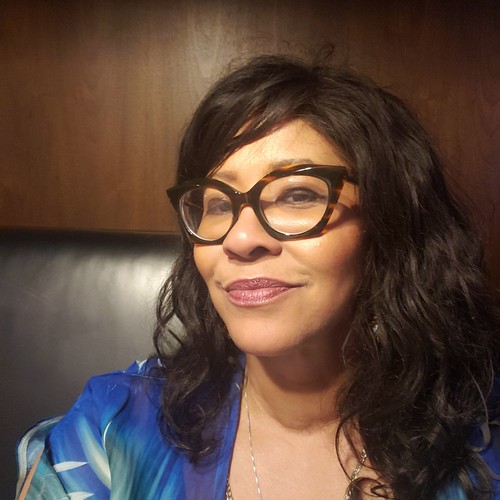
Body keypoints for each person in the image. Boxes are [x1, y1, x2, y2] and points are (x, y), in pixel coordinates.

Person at [18, 54, 500, 499]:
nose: (241, 239)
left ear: (387, 224)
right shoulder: (110, 429)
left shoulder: (481, 440)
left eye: (297, 195)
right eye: (217, 203)